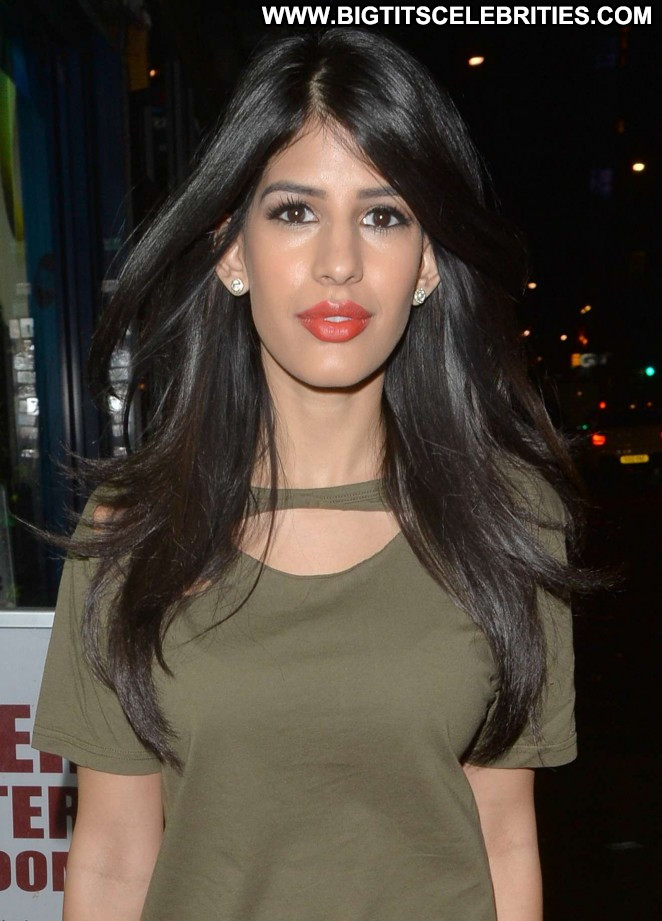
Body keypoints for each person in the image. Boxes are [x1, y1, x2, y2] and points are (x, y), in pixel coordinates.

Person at [31, 26, 610, 921]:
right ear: (232, 250)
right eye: (295, 212)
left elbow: (504, 839)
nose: (340, 262)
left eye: (384, 216)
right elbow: (110, 859)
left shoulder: (508, 519)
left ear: (426, 263)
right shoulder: (131, 529)